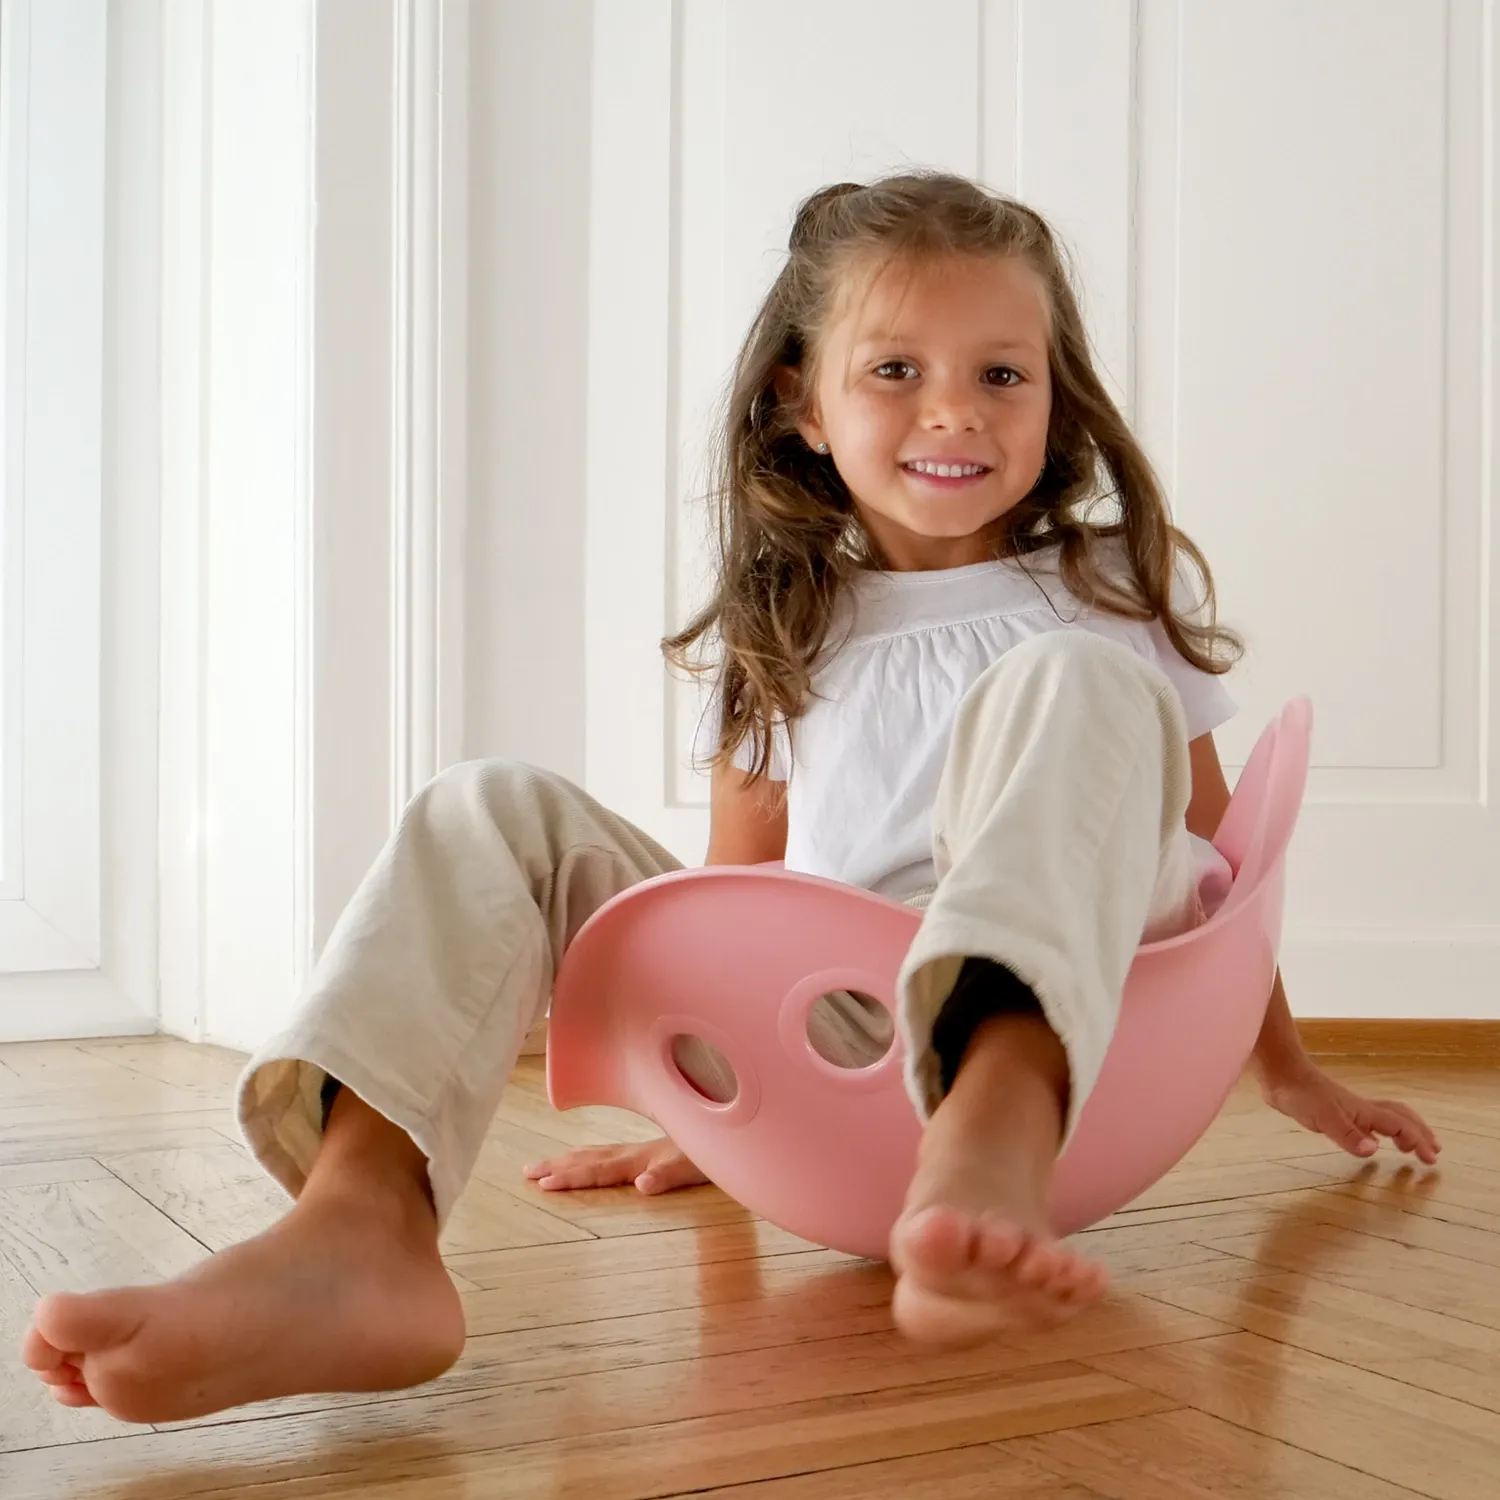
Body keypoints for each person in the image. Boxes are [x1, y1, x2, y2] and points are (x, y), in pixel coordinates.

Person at [22, 172, 1439, 1424]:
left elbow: (1215, 868)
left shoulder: (1112, 586)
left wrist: (1286, 1067)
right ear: (800, 404)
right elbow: (732, 909)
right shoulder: (785, 630)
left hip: (1100, 1003)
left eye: (1004, 373)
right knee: (485, 805)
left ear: (1056, 399)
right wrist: (714, 1110)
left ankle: (1000, 1098)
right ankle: (361, 1230)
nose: (955, 408)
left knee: (1071, 682)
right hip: (857, 1034)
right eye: (896, 369)